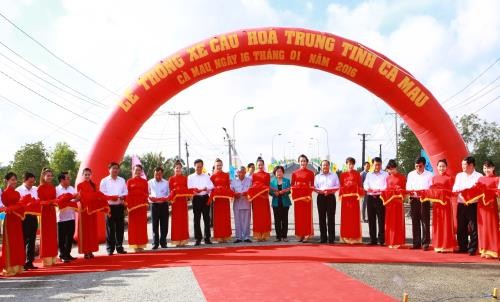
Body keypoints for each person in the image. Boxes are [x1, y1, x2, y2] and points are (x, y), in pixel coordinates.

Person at [421, 159, 457, 253]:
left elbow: (452, 192)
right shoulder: (434, 178)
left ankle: (447, 245)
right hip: (437, 205)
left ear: (446, 167)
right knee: (438, 224)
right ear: (437, 167)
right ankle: (438, 245)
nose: (441, 168)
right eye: (440, 166)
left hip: (445, 204)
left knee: (446, 224)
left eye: (443, 166)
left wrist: (443, 192)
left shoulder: (450, 178)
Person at [452, 156, 483, 255]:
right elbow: (455, 188)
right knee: (461, 226)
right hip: (461, 204)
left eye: (464, 164)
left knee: (473, 227)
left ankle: (473, 248)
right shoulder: (459, 175)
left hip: (473, 205)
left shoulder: (479, 176)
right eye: (462, 164)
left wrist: (469, 193)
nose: (462, 166)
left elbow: (479, 190)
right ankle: (462, 247)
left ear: (470, 165)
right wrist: (460, 191)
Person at [77, 168, 108, 259]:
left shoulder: (94, 185)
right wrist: (93, 197)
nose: (87, 176)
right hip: (84, 211)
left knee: (92, 231)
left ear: (91, 175)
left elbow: (98, 195)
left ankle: (91, 250)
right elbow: (83, 197)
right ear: (83, 175)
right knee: (85, 232)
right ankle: (86, 251)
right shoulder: (80, 185)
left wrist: (105, 199)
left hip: (92, 211)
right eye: (85, 174)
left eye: (89, 174)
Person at [1, 172, 26, 276]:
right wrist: (14, 207)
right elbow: (4, 208)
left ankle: (18, 266)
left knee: (18, 241)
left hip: (17, 220)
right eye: (12, 179)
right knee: (10, 243)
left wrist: (17, 207)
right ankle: (10, 267)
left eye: (15, 180)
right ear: (7, 181)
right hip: (9, 220)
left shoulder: (17, 193)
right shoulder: (4, 193)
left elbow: (20, 205)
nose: (14, 182)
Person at [100, 162, 128, 255]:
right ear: (109, 170)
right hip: (109, 207)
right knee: (110, 229)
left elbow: (125, 192)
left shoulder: (122, 180)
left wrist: (122, 196)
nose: (115, 170)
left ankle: (119, 247)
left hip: (119, 206)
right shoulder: (104, 181)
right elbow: (102, 194)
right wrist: (112, 197)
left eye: (117, 168)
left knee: (120, 228)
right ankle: (110, 249)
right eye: (113, 168)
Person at [406, 157, 433, 250]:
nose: (418, 168)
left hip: (424, 199)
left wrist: (423, 192)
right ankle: (416, 243)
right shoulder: (411, 174)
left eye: (420, 166)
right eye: (416, 166)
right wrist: (411, 192)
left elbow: (430, 187)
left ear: (424, 165)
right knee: (415, 221)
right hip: (414, 199)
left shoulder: (429, 175)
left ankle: (425, 243)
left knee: (425, 221)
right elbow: (408, 186)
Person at [17, 172, 40, 270]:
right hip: (24, 218)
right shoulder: (18, 190)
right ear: (24, 180)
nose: (31, 184)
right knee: (24, 239)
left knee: (32, 239)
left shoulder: (35, 189)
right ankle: (21, 262)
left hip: (34, 216)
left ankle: (30, 261)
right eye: (30, 182)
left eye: (33, 182)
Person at [188, 159, 214, 246]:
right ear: (194, 167)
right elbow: (189, 188)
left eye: (200, 167)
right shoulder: (190, 177)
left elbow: (212, 186)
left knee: (207, 219)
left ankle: (207, 238)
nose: (199, 168)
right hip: (196, 198)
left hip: (205, 198)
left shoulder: (206, 176)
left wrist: (206, 188)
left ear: (202, 167)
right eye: (197, 167)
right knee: (196, 219)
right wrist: (193, 191)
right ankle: (198, 239)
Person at [476, 160, 499, 258]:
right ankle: (484, 249)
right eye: (484, 168)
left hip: (491, 206)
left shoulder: (497, 179)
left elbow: (498, 191)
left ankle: (493, 250)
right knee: (483, 227)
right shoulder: (480, 179)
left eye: (488, 168)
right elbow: (476, 190)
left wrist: (489, 191)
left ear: (493, 168)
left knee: (491, 226)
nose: (486, 170)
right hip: (481, 207)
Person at [382, 159, 406, 248]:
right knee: (390, 222)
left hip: (398, 202)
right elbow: (386, 189)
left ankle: (398, 241)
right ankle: (390, 241)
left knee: (398, 222)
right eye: (389, 169)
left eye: (392, 168)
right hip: (390, 203)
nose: (391, 170)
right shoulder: (387, 178)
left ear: (396, 167)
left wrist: (399, 190)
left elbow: (405, 190)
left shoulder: (402, 177)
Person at [363, 157, 387, 246]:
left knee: (381, 219)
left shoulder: (385, 174)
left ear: (381, 165)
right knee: (371, 219)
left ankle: (381, 240)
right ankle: (373, 239)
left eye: (379, 164)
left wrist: (379, 190)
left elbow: (386, 185)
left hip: (380, 198)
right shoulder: (369, 174)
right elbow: (365, 184)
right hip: (370, 197)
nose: (377, 166)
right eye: (376, 164)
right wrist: (368, 188)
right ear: (373, 165)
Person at [291, 154, 315, 242]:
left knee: (307, 216)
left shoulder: (311, 173)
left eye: (304, 161)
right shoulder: (294, 173)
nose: (303, 163)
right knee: (299, 216)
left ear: (307, 162)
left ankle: (307, 234)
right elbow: (292, 186)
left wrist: (307, 193)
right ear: (298, 162)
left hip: (307, 198)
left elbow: (312, 186)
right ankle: (300, 234)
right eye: (301, 161)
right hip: (298, 198)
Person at [38, 168, 59, 266]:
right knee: (46, 235)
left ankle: (53, 257)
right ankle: (46, 259)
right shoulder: (40, 188)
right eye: (48, 176)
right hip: (45, 212)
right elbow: (39, 202)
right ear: (43, 176)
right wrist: (49, 202)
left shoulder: (52, 187)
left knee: (52, 234)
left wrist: (55, 202)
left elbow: (54, 199)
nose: (50, 177)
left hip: (52, 212)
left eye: (51, 176)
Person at [315, 160, 339, 244]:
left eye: (326, 165)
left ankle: (331, 238)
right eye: (323, 165)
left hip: (331, 197)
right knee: (321, 218)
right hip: (321, 197)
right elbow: (315, 187)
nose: (325, 167)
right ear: (321, 167)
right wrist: (321, 191)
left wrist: (329, 191)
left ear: (329, 166)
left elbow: (337, 186)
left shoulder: (334, 175)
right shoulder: (317, 176)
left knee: (331, 218)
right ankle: (323, 238)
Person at [339, 157, 363, 244]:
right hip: (345, 200)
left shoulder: (357, 174)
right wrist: (347, 187)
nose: (350, 165)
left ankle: (355, 238)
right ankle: (345, 237)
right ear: (346, 164)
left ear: (354, 165)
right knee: (346, 218)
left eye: (352, 164)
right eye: (349, 164)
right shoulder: (342, 175)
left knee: (354, 218)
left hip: (354, 200)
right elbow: (340, 187)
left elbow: (360, 187)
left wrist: (353, 186)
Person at [126, 164, 149, 252]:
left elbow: (146, 193)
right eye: (136, 170)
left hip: (142, 207)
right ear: (133, 170)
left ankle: (141, 245)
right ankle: (134, 245)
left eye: (139, 170)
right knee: (133, 226)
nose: (137, 171)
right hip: (132, 208)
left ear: (141, 171)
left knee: (141, 226)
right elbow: (127, 193)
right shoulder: (129, 181)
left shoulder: (144, 182)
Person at [55, 172, 78, 262]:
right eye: (67, 178)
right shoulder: (56, 189)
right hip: (61, 218)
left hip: (71, 216)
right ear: (62, 180)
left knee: (69, 237)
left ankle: (68, 253)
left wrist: (76, 198)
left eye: (69, 178)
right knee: (62, 237)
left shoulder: (71, 188)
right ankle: (62, 255)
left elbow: (75, 199)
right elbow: (57, 201)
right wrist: (66, 199)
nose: (69, 180)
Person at [248, 157, 271, 241]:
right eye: (259, 165)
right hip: (256, 199)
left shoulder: (267, 175)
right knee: (257, 217)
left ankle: (265, 235)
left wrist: (263, 193)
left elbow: (268, 186)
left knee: (265, 216)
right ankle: (258, 235)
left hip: (264, 198)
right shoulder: (253, 175)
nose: (260, 166)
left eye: (261, 165)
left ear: (263, 165)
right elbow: (252, 186)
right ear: (256, 165)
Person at [168, 160, 191, 247]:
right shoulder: (171, 179)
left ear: (181, 169)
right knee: (176, 221)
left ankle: (184, 240)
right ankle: (177, 240)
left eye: (179, 168)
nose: (178, 169)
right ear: (174, 169)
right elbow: (170, 191)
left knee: (183, 220)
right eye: (176, 168)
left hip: (183, 202)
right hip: (175, 202)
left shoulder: (185, 178)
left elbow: (187, 189)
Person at [210, 159, 233, 243]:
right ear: (215, 166)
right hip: (217, 200)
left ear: (222, 165)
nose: (219, 167)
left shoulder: (226, 175)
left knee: (225, 217)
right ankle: (219, 236)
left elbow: (228, 186)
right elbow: (211, 188)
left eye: (220, 165)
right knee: (218, 218)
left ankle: (226, 236)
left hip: (225, 199)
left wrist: (230, 195)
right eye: (217, 165)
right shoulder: (212, 176)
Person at [148, 166, 170, 249]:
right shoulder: (149, 182)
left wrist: (166, 197)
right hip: (154, 205)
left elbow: (169, 193)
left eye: (159, 174)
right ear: (154, 174)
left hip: (164, 205)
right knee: (155, 225)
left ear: (162, 174)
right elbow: (147, 193)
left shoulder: (166, 182)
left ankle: (163, 242)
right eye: (156, 174)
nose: (157, 176)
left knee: (164, 224)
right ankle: (155, 243)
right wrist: (150, 197)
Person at [230, 166, 252, 243]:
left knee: (246, 220)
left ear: (245, 172)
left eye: (243, 172)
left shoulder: (249, 180)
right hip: (237, 203)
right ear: (237, 173)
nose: (241, 174)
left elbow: (252, 190)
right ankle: (238, 237)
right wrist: (234, 194)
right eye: (239, 172)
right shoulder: (233, 181)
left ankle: (246, 237)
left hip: (246, 202)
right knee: (237, 220)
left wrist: (248, 193)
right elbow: (230, 191)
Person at [270, 165, 291, 242]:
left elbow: (289, 190)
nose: (279, 173)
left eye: (280, 171)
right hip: (276, 202)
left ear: (283, 172)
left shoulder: (287, 180)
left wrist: (284, 192)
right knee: (277, 220)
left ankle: (284, 236)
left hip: (285, 202)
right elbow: (270, 192)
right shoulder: (272, 182)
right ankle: (278, 236)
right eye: (277, 171)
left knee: (285, 219)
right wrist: (274, 193)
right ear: (275, 173)